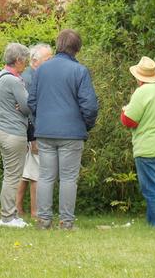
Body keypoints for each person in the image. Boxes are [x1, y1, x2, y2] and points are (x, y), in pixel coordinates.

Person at [28, 29, 98, 230]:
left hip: (45, 131)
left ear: (58, 45)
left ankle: (43, 220)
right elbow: (90, 106)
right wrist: (86, 124)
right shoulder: (79, 71)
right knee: (68, 178)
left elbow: (31, 101)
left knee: (45, 176)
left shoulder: (41, 70)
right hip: (71, 132)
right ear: (77, 49)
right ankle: (66, 222)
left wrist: (39, 121)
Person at [121, 56, 155, 228]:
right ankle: (153, 222)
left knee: (151, 188)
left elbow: (129, 121)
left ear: (139, 77)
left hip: (148, 147)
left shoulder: (142, 92)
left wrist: (124, 111)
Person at [0, 43, 31, 228]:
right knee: (12, 176)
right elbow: (27, 106)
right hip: (13, 132)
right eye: (24, 60)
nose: (26, 64)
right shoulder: (13, 80)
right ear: (18, 60)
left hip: (3, 131)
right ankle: (7, 217)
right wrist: (25, 104)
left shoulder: (2, 76)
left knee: (11, 175)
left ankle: (12, 215)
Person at [16, 44, 53, 218]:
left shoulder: (28, 75)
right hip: (32, 132)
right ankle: (35, 212)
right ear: (35, 61)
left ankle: (18, 209)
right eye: (48, 59)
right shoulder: (31, 78)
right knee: (36, 173)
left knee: (25, 172)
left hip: (26, 132)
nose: (52, 62)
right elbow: (29, 109)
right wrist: (33, 137)